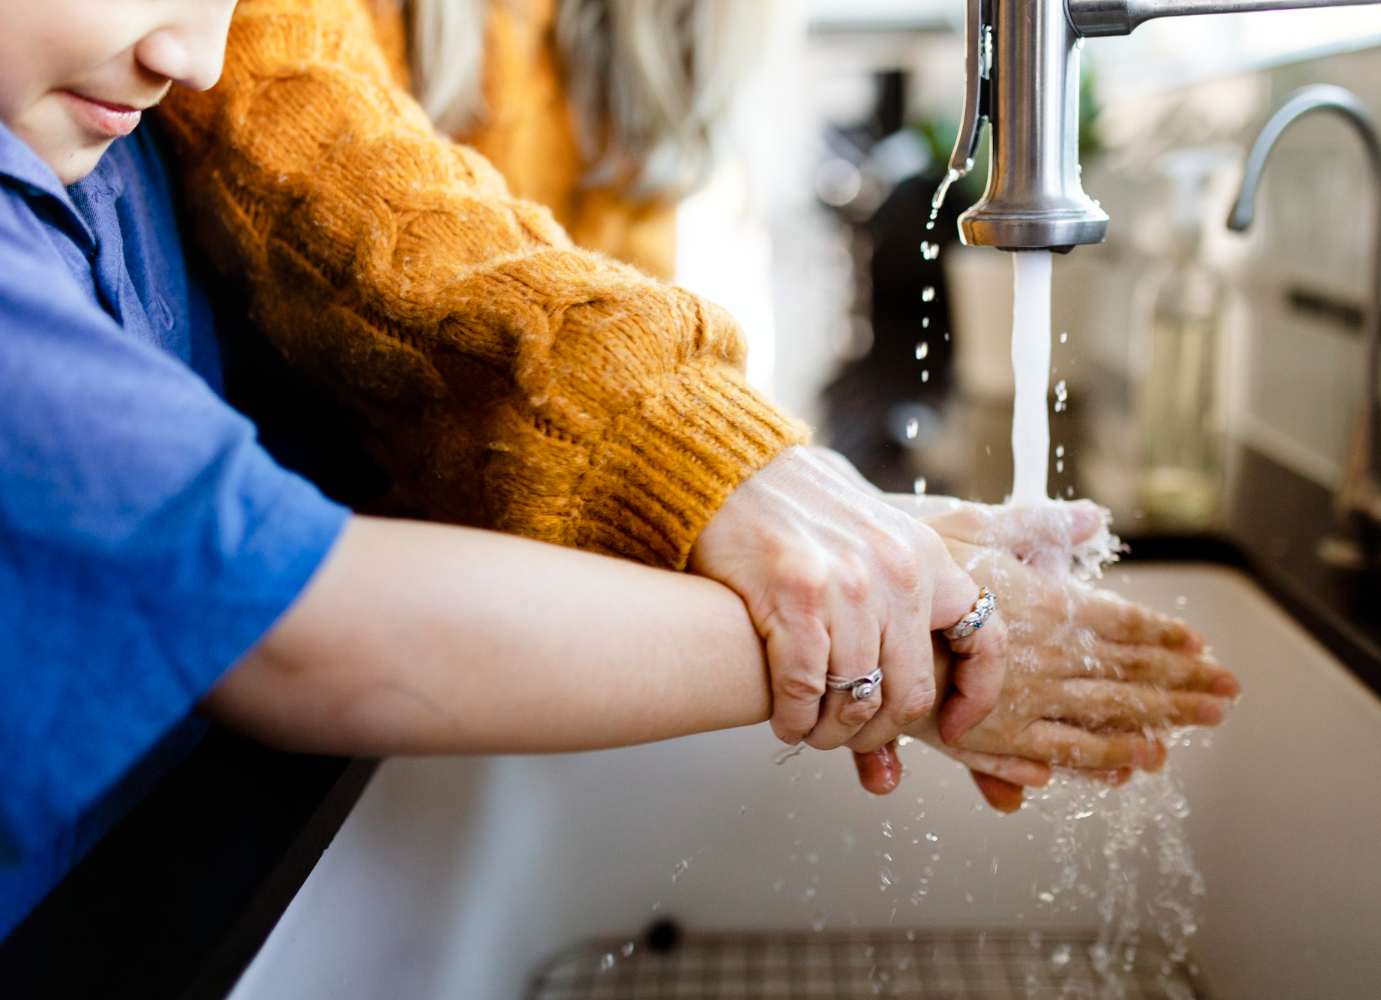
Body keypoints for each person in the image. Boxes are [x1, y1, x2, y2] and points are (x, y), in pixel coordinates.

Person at [0, 0, 1237, 942]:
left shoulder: (86, 159)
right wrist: (858, 635)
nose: (200, 58)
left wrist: (869, 552)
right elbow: (298, 618)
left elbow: (459, 456)